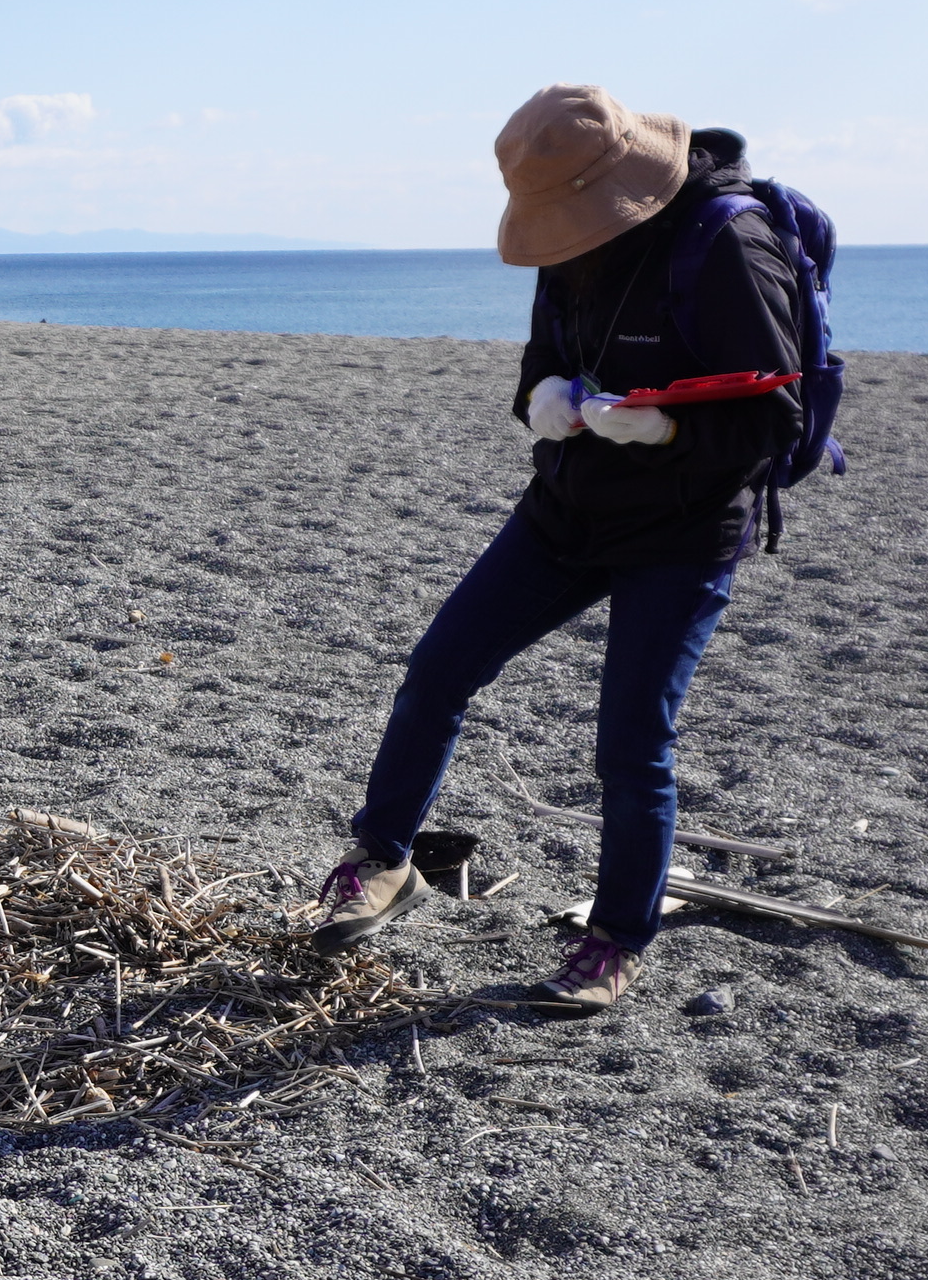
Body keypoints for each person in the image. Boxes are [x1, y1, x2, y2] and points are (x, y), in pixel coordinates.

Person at [307, 83, 814, 1017]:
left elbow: (771, 423)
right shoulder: (569, 243)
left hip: (685, 530)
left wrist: (662, 435)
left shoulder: (728, 243)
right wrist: (547, 401)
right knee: (438, 670)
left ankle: (616, 939)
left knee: (630, 741)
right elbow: (541, 367)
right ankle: (383, 860)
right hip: (566, 509)